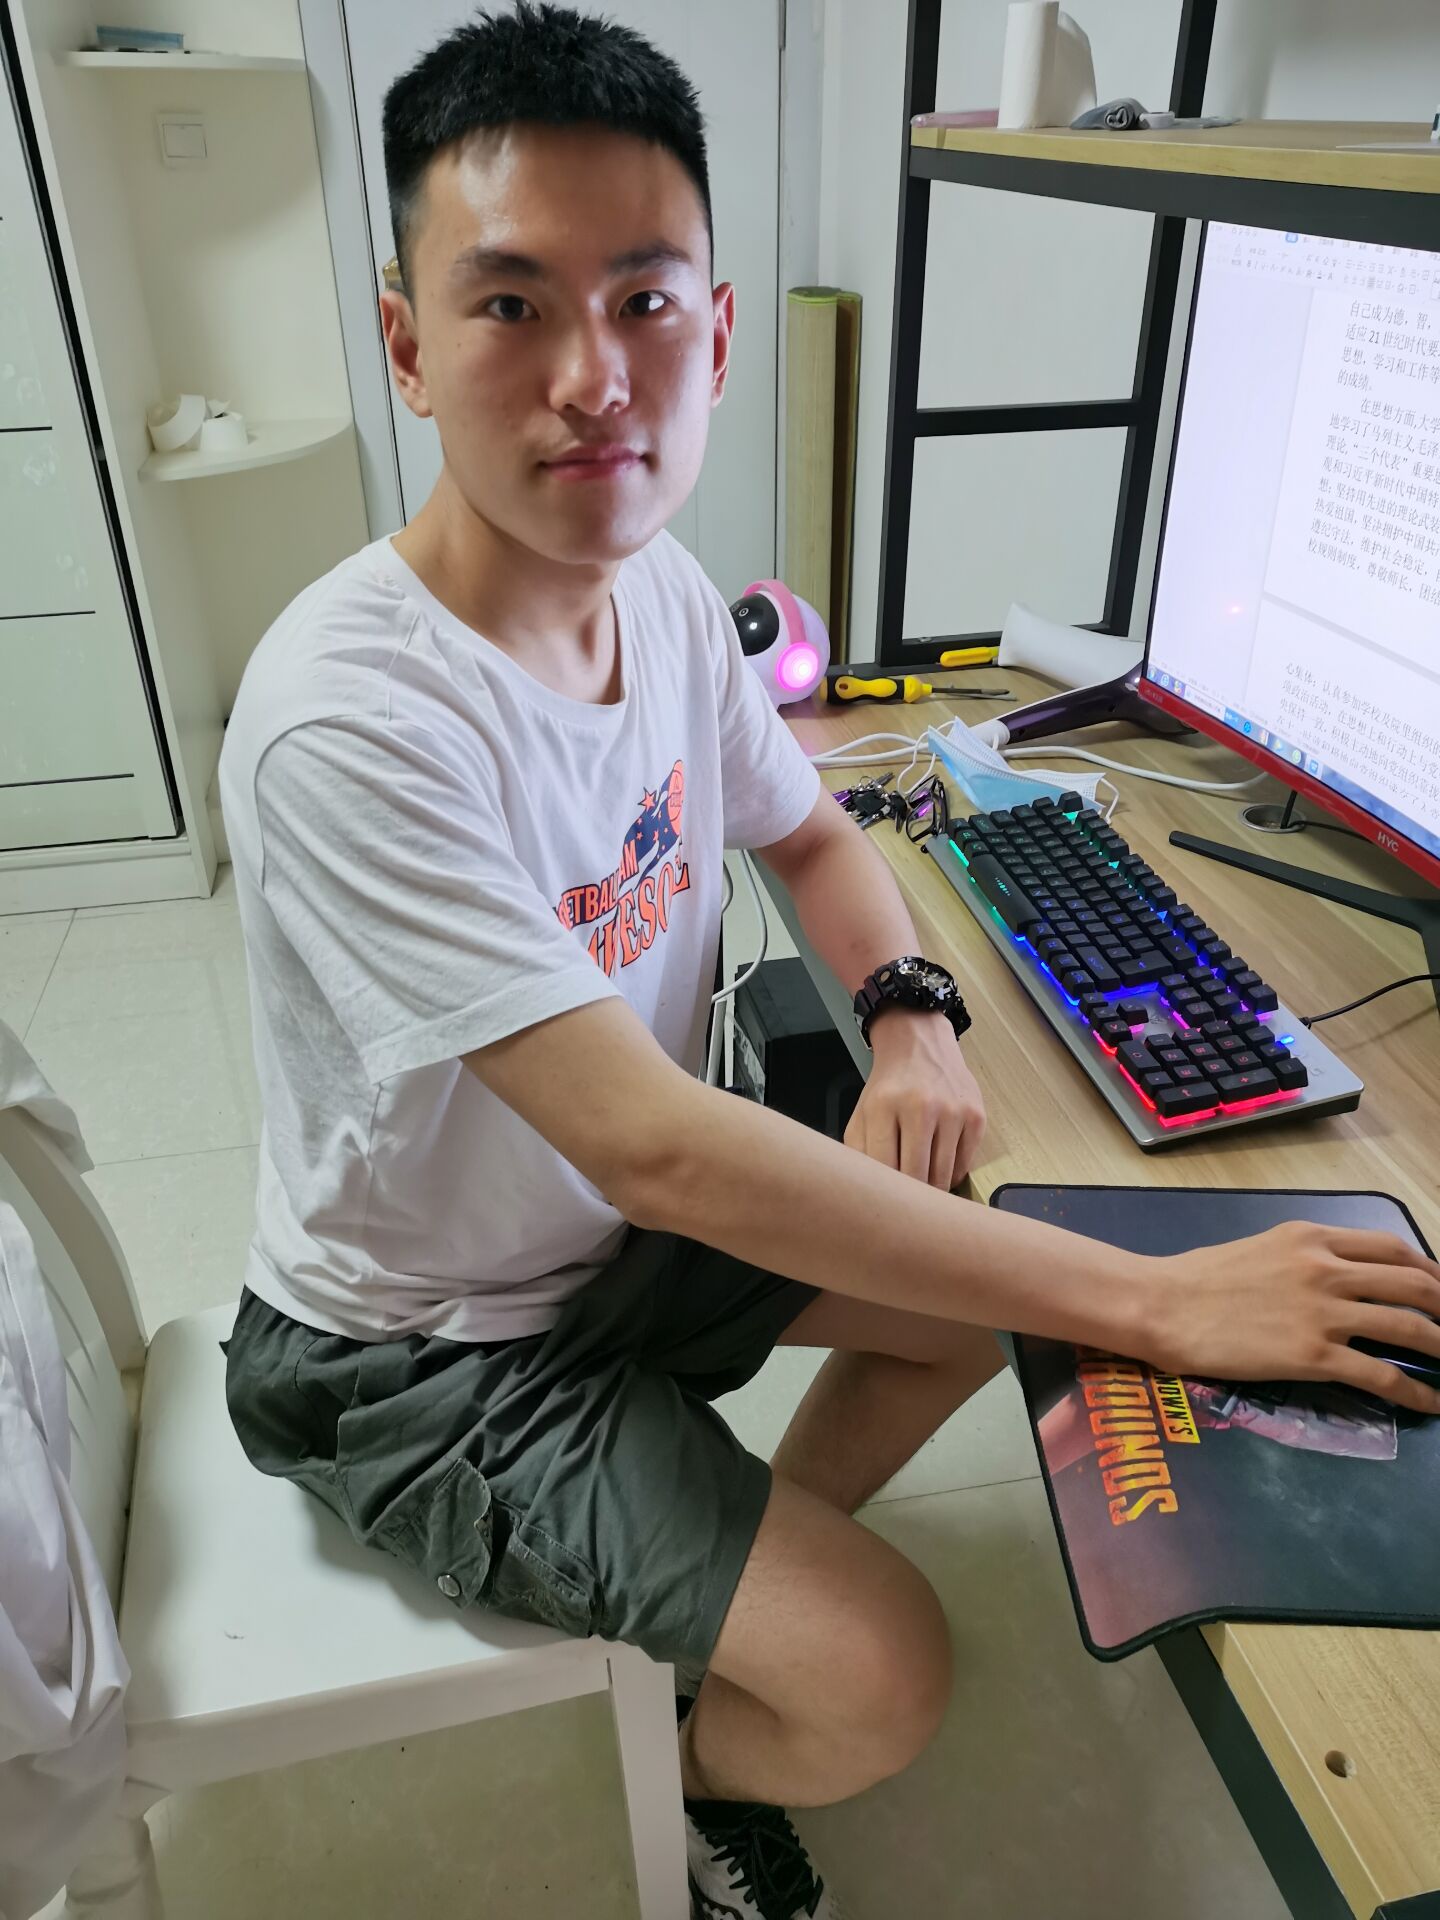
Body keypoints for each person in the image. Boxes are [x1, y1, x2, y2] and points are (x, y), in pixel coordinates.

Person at [218, 7, 1440, 1916]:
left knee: (961, 1275)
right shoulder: (350, 720)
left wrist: (909, 1019)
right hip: (419, 1353)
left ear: (713, 332)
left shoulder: (661, 596)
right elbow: (656, 1147)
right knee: (883, 1679)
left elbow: (808, 833)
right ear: (407, 345)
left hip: (599, 1241)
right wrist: (1160, 1306)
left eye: (643, 302)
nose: (592, 379)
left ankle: (708, 1596)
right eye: (512, 305)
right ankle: (691, 1744)